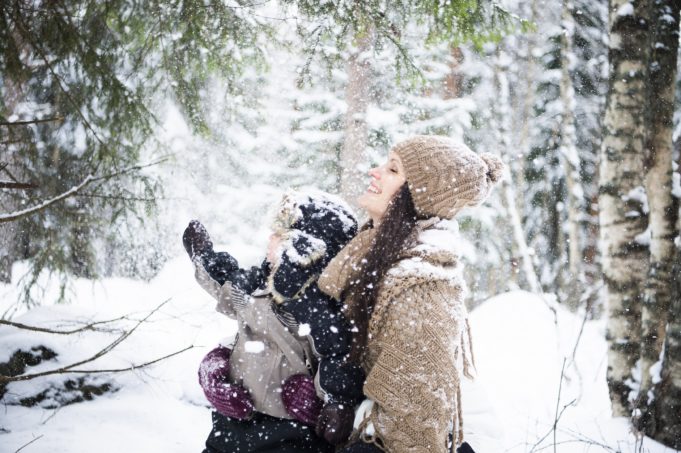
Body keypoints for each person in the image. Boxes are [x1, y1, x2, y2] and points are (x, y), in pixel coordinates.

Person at [316, 136, 504, 453]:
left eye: (392, 169)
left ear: (419, 195)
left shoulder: (421, 287)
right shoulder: (369, 255)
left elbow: (413, 424)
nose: (375, 172)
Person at [182, 190, 365, 453]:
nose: (270, 239)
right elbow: (228, 285)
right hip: (235, 418)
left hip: (288, 430)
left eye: (279, 235)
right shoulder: (261, 286)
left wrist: (329, 401)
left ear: (303, 248)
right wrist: (204, 258)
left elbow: (337, 354)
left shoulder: (317, 305)